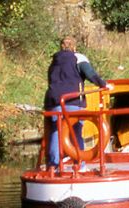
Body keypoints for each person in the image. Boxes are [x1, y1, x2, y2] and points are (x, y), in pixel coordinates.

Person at [44, 36, 113, 169]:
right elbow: (90, 74)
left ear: (61, 46)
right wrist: (104, 85)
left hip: (53, 101)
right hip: (72, 100)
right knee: (76, 131)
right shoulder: (78, 58)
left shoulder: (54, 61)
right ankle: (79, 165)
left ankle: (53, 166)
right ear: (74, 47)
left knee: (56, 131)